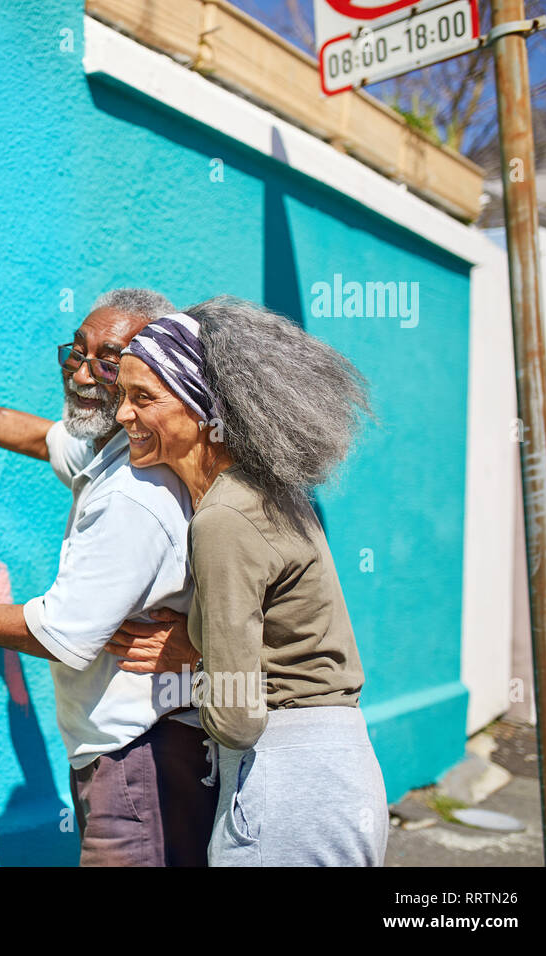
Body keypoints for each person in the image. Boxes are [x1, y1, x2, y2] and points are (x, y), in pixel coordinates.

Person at [0, 289, 218, 867]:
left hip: (139, 755)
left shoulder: (136, 492)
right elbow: (37, 435)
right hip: (121, 751)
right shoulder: (117, 445)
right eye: (75, 353)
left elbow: (57, 635)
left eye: (108, 361)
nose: (81, 374)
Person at [109, 296, 389, 866]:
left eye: (144, 398)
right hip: (335, 768)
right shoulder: (267, 490)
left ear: (200, 405)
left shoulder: (222, 521)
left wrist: (190, 658)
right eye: (121, 396)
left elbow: (237, 718)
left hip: (287, 780)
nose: (122, 416)